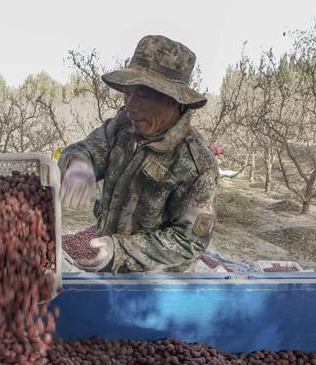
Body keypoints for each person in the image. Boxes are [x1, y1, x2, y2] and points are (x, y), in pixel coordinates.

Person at [59, 35, 218, 273]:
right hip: (107, 265)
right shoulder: (123, 126)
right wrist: (79, 163)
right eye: (127, 93)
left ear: (174, 100)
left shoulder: (198, 165)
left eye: (142, 95)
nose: (131, 105)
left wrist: (119, 250)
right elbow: (88, 149)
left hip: (156, 286)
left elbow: (190, 241)